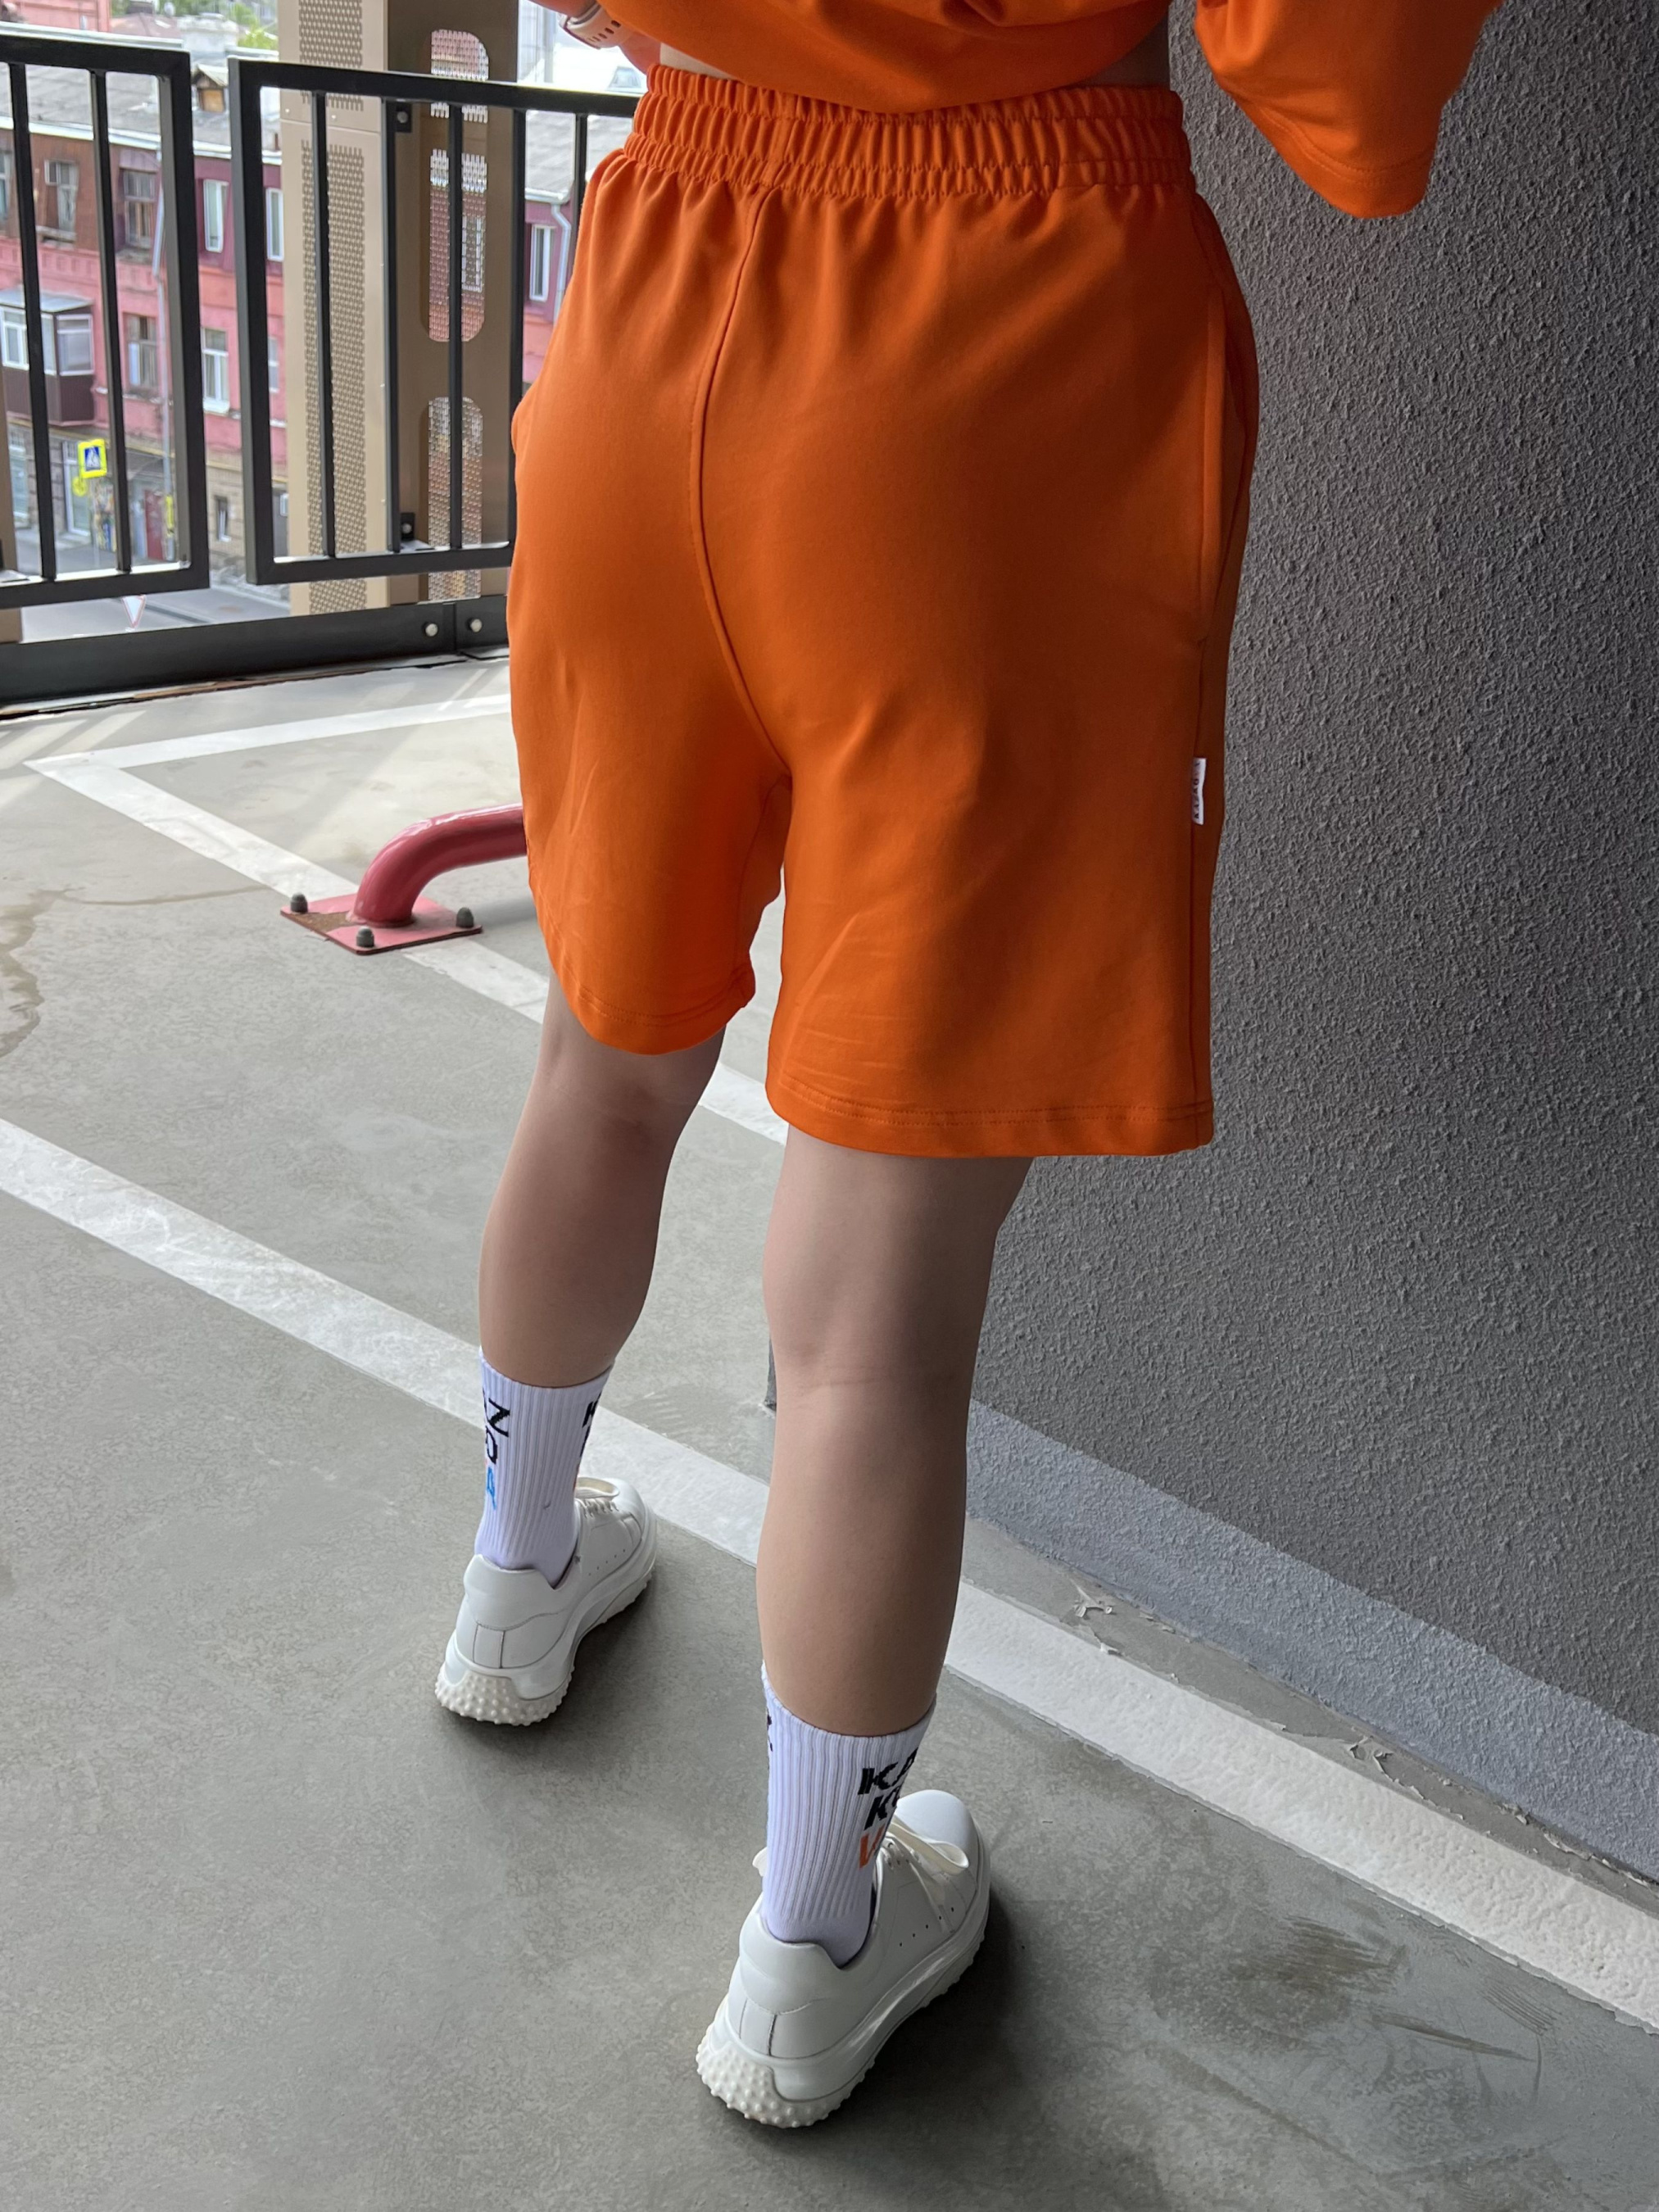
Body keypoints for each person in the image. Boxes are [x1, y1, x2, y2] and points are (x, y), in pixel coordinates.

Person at [434, 0, 1503, 2128]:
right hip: (1002, 351)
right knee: (880, 1284)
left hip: (656, 299)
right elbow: (1347, 95)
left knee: (602, 1051)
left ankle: (515, 1585)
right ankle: (813, 1944)